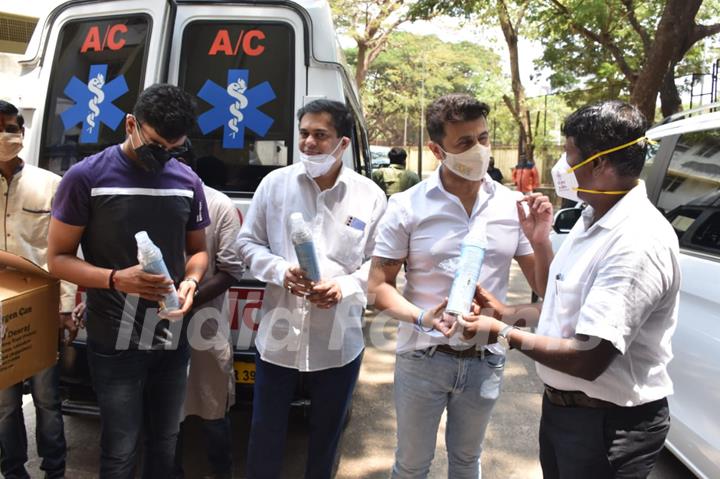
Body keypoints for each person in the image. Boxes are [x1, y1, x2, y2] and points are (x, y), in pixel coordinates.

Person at [459, 100, 680, 478]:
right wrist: (540, 242)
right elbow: (555, 295)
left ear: (599, 164)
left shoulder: (636, 240)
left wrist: (502, 333)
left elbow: (587, 357)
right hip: (567, 415)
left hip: (607, 426)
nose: (562, 165)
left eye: (569, 154)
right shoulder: (593, 217)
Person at [368, 93, 552, 479]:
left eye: (483, 138)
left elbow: (543, 286)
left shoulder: (511, 206)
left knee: (468, 462)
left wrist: (540, 240)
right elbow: (378, 287)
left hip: (485, 358)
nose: (480, 150)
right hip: (423, 358)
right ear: (437, 150)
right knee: (412, 465)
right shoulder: (407, 206)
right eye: (465, 143)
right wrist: (422, 317)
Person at [47, 84, 210, 478]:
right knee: (120, 447)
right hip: (114, 339)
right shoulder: (86, 177)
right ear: (131, 124)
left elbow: (199, 251)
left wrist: (190, 281)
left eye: (175, 149)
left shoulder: (187, 181)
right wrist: (116, 279)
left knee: (167, 440)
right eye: (156, 145)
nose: (164, 156)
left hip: (171, 334)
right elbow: (57, 259)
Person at [237, 99, 387, 479]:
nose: (308, 143)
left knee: (327, 436)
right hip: (279, 336)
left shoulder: (368, 196)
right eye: (304, 133)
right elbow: (246, 243)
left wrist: (344, 286)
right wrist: (279, 270)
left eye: (321, 135)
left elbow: (381, 264)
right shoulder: (274, 185)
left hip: (338, 341)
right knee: (266, 433)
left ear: (343, 144)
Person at [0, 100, 77, 479]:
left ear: (22, 132)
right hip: (0, 314)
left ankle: (55, 470)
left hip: (42, 310)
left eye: (12, 128)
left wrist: (66, 308)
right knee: (4, 404)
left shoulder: (50, 185)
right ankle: (14, 471)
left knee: (48, 399)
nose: (5, 136)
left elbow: (65, 252)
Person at [173, 156, 244, 479]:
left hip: (205, 324)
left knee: (213, 408)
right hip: (151, 326)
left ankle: (222, 473)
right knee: (163, 414)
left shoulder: (218, 204)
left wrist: (186, 299)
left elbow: (231, 270)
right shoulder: (145, 197)